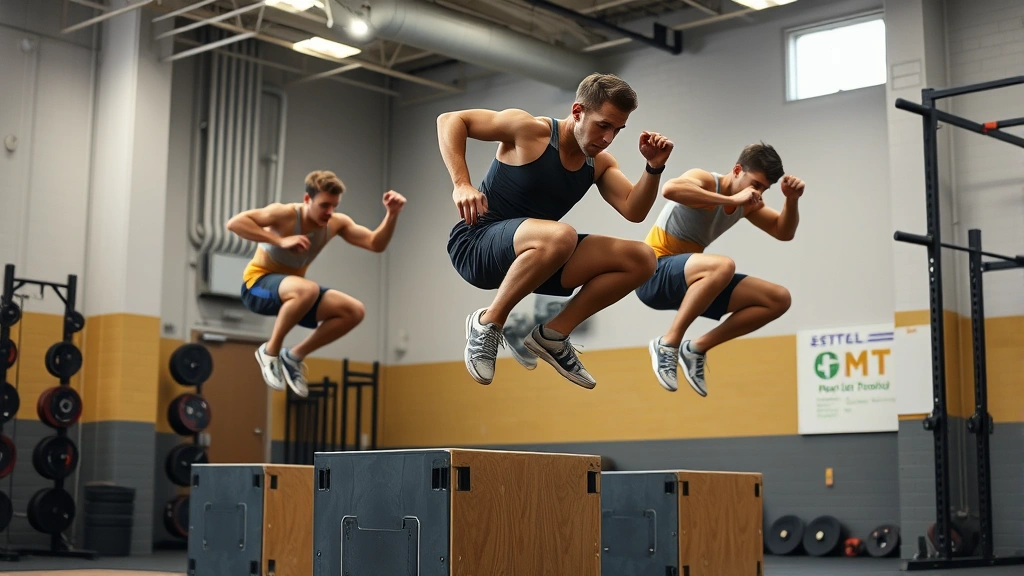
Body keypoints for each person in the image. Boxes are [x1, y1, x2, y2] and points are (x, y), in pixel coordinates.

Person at [436, 72, 674, 389]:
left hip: (540, 258)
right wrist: (461, 184)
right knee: (561, 235)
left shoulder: (600, 163)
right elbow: (451, 120)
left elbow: (634, 210)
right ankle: (488, 323)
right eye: (603, 125)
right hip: (478, 245)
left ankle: (553, 336)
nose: (607, 138)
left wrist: (653, 167)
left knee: (642, 258)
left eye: (617, 130)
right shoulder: (528, 130)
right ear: (578, 112)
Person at [636, 142, 801, 396]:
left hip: (690, 284)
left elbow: (783, 231)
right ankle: (668, 343)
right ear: (737, 170)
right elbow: (670, 189)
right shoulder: (705, 180)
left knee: (778, 299)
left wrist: (791, 201)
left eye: (764, 189)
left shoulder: (747, 203)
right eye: (755, 184)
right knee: (723, 266)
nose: (758, 193)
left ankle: (697, 349)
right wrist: (731, 199)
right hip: (652, 274)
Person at [226, 170, 406, 397]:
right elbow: (235, 223)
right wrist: (280, 240)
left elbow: (374, 244)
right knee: (307, 289)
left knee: (353, 311)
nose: (329, 212)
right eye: (324, 205)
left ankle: (293, 356)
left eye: (334, 206)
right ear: (307, 199)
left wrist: (392, 214)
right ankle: (270, 352)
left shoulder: (336, 224)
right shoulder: (284, 214)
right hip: (257, 287)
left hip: (296, 295)